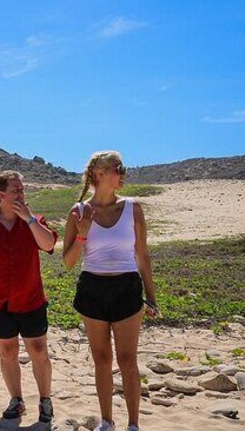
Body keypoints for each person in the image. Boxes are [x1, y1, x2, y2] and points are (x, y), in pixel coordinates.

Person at [62, 151, 158, 431]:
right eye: (119, 168)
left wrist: (151, 297)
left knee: (128, 360)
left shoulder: (133, 208)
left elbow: (142, 255)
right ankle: (107, 421)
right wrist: (82, 232)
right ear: (100, 174)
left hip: (127, 287)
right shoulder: (78, 211)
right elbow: (68, 262)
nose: (123, 173)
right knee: (101, 360)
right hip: (92, 287)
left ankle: (133, 425)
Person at [0, 171, 57, 424]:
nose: (21, 194)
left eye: (22, 189)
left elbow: (48, 245)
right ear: (1, 194)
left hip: (30, 300)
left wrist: (29, 220)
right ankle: (16, 400)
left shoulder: (34, 221)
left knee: (38, 350)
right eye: (16, 190)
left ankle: (45, 400)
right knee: (7, 351)